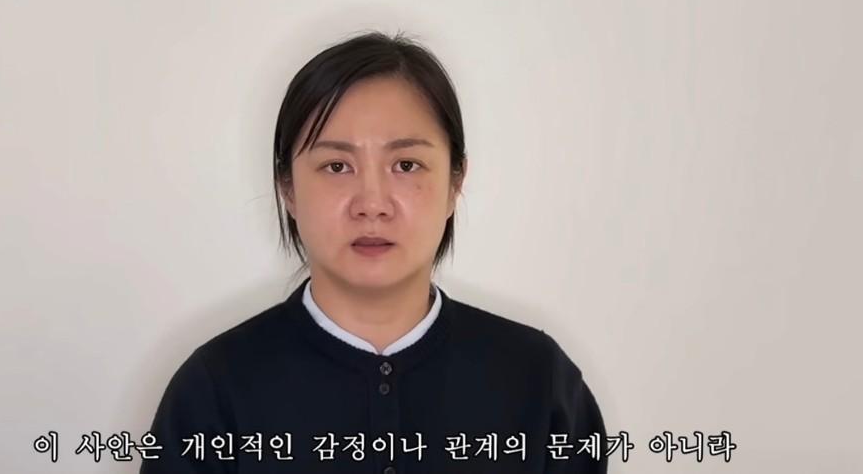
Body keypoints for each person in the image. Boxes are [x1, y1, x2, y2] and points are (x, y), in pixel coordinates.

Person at [140, 31, 608, 473]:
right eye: (336, 166)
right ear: (288, 188)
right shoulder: (214, 391)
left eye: (406, 164)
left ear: (455, 182)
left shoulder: (537, 380)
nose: (372, 204)